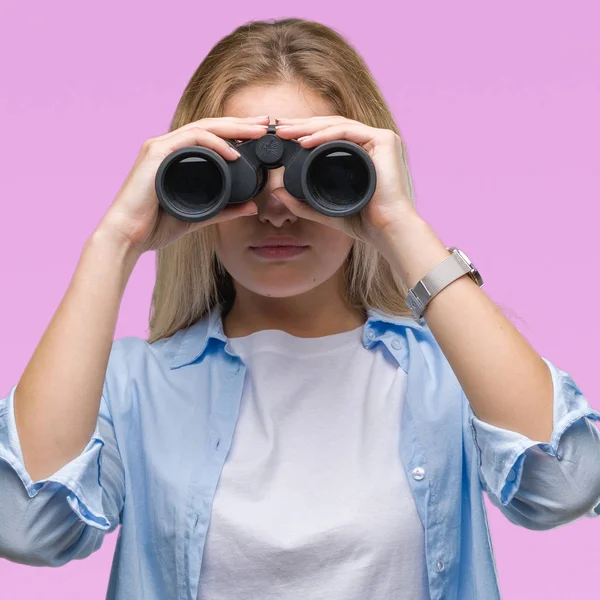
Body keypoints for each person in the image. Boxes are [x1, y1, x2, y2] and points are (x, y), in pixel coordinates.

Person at [1, 17, 599, 600]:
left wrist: (399, 225)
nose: (276, 209)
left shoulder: (452, 373)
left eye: (314, 169)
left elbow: (566, 484)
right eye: (238, 170)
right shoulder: (133, 387)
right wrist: (115, 241)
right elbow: (25, 527)